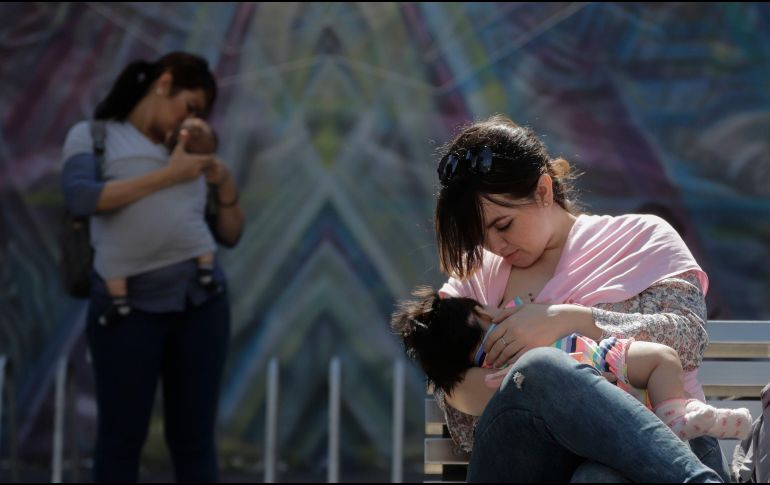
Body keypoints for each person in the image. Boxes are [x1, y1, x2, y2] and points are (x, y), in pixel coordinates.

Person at [429, 114, 729, 481]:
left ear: (543, 191)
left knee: (596, 478)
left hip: (663, 449)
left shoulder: (640, 237)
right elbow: (451, 390)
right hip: (530, 464)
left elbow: (687, 339)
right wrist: (536, 381)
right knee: (540, 368)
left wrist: (570, 321)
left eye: (503, 225)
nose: (494, 245)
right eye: (479, 236)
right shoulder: (475, 277)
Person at [60, 52, 244, 482]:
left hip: (200, 304)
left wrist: (223, 181)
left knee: (194, 442)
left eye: (200, 115)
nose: (190, 120)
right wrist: (170, 175)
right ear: (164, 83)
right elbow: (81, 197)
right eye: (189, 106)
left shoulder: (189, 148)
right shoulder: (94, 136)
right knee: (121, 441)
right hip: (126, 311)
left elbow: (231, 234)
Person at [391, 286, 751, 442]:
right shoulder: (507, 326)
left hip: (593, 372)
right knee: (662, 358)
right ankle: (675, 414)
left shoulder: (483, 374)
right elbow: (527, 303)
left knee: (659, 361)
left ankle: (677, 417)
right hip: (598, 359)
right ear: (483, 312)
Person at [99, 117, 222, 326]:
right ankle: (206, 273)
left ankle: (119, 302)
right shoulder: (199, 174)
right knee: (203, 244)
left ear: (182, 136)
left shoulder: (157, 159)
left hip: (139, 237)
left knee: (112, 264)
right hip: (184, 236)